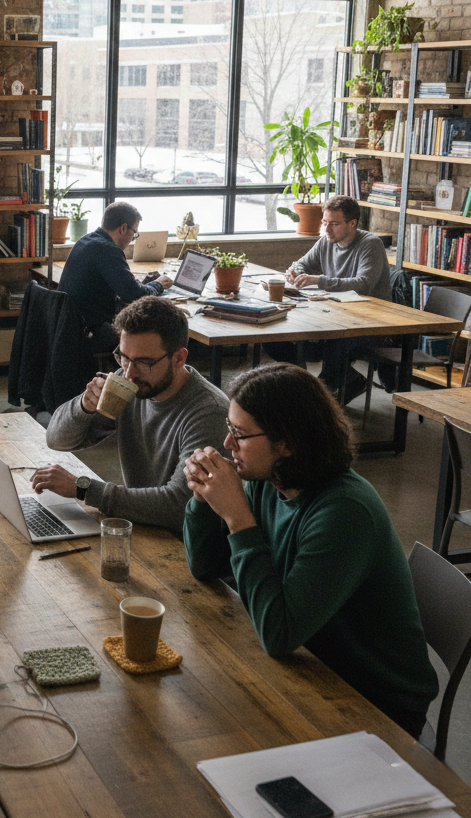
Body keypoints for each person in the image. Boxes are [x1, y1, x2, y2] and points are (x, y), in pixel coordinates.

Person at [182, 363, 437, 739]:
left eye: (239, 434)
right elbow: (205, 566)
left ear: (287, 443)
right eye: (228, 429)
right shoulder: (269, 480)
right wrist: (204, 498)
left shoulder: (345, 511)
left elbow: (280, 634)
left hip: (373, 702)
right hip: (313, 665)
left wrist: (237, 519)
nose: (227, 444)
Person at [34, 295, 228, 534]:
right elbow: (57, 439)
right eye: (124, 357)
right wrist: (84, 406)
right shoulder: (131, 384)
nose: (129, 374)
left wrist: (83, 488)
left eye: (144, 362)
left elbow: (179, 505)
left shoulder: (209, 412)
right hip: (140, 524)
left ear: (179, 358)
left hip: (185, 545)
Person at [267, 195, 390, 403]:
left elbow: (363, 284)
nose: (327, 230)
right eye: (325, 223)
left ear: (352, 223)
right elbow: (302, 263)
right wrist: (294, 271)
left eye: (334, 224)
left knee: (335, 342)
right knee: (274, 336)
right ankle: (305, 387)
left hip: (371, 322)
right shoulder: (327, 241)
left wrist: (319, 280)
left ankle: (321, 399)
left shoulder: (370, 244)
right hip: (336, 314)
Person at [58, 201, 173, 354]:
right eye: (135, 233)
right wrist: (158, 284)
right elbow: (135, 295)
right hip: (90, 334)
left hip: (69, 329)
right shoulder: (108, 250)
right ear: (123, 228)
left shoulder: (86, 240)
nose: (133, 238)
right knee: (154, 339)